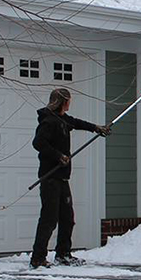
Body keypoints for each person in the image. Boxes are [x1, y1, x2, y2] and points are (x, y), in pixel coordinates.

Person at [30, 88, 110, 268]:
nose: (69, 104)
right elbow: (38, 143)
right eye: (68, 101)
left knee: (67, 218)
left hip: (62, 178)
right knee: (49, 219)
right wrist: (58, 155)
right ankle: (37, 258)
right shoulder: (49, 121)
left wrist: (96, 128)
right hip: (50, 177)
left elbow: (77, 122)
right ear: (62, 101)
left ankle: (63, 254)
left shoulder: (62, 120)